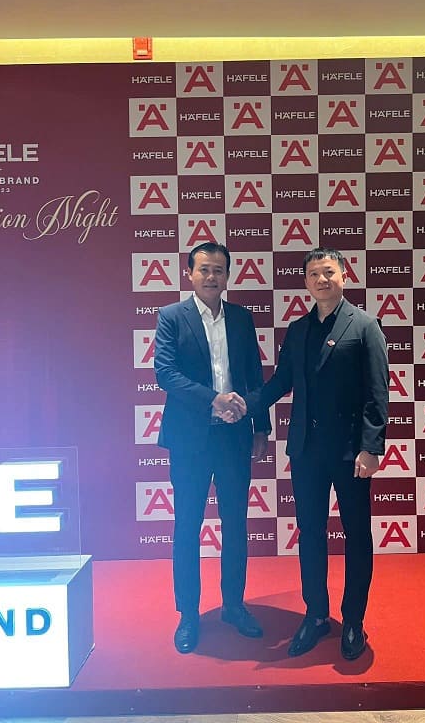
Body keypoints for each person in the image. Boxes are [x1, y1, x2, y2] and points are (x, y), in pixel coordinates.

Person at [245, 246, 389, 660]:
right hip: (306, 451)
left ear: (344, 275)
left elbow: (377, 393)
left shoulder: (365, 326)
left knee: (357, 536)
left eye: (328, 272)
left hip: (351, 453)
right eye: (313, 274)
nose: (321, 280)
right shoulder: (298, 329)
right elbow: (281, 382)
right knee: (310, 534)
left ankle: (354, 621)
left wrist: (371, 447)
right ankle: (316, 614)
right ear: (306, 282)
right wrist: (246, 405)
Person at [154, 241, 270, 654]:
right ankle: (188, 614)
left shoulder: (241, 318)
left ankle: (234, 606)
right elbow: (165, 373)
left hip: (234, 438)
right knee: (187, 526)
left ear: (227, 276)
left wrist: (261, 427)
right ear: (189, 273)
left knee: (235, 525)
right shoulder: (172, 316)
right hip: (190, 439)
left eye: (218, 270)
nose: (211, 276)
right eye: (204, 269)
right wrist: (213, 400)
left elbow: (254, 375)